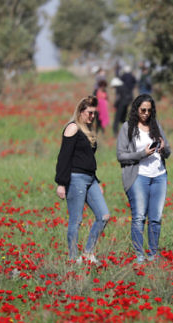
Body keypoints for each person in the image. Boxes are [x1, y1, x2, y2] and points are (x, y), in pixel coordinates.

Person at [55, 96, 110, 264]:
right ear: (80, 112)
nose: (92, 116)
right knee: (76, 220)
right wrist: (61, 183)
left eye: (94, 113)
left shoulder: (87, 129)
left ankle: (88, 253)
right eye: (90, 113)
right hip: (75, 179)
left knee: (104, 215)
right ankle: (72, 259)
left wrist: (96, 181)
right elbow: (64, 158)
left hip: (90, 179)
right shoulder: (72, 128)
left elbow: (86, 159)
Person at [117, 94, 171, 263]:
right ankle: (139, 255)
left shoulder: (156, 126)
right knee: (139, 216)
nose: (146, 113)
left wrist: (163, 148)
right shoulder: (128, 128)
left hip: (159, 176)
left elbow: (168, 152)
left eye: (149, 110)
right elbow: (121, 156)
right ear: (136, 110)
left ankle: (153, 254)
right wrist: (143, 154)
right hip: (138, 176)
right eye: (143, 110)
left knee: (156, 218)